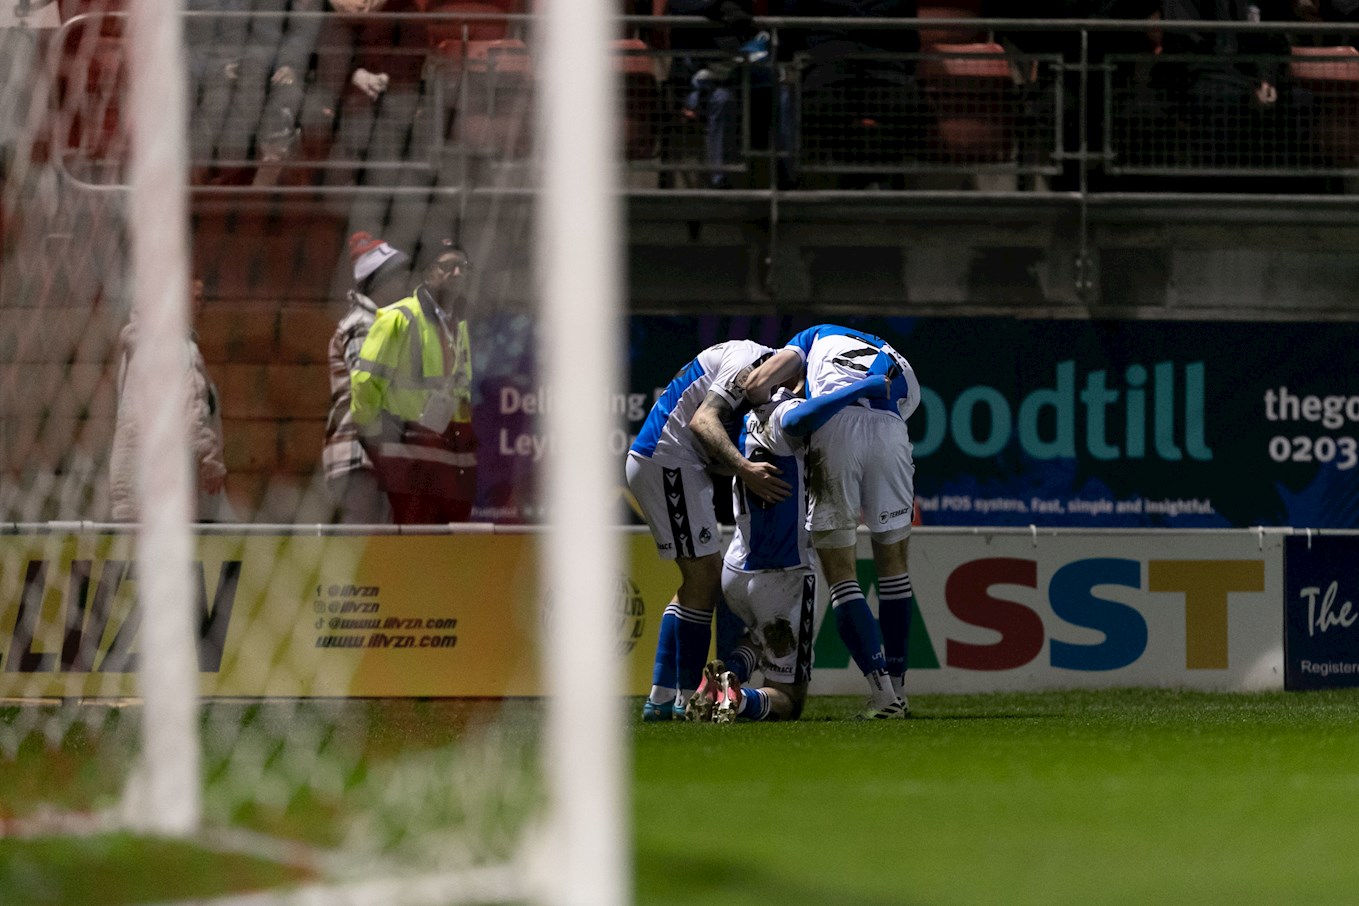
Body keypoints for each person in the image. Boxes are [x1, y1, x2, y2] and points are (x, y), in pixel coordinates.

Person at [687, 371, 898, 722]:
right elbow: (799, 417)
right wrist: (863, 386)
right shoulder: (785, 412)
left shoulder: (745, 420)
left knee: (762, 638)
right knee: (788, 698)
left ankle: (729, 675)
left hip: (738, 569)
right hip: (783, 576)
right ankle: (739, 700)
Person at [743, 324, 918, 718]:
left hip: (835, 434)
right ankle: (901, 689)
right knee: (894, 568)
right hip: (892, 429)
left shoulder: (807, 341)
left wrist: (768, 388)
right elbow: (905, 399)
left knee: (842, 577)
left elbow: (758, 384)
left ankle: (883, 694)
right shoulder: (885, 351)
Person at [628, 339, 793, 721]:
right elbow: (702, 422)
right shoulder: (749, 362)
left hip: (671, 462)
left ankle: (662, 698)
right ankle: (685, 699)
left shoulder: (752, 365)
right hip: (668, 460)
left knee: (697, 583)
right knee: (704, 579)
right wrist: (746, 470)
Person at [350, 241, 477, 524]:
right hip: (405, 453)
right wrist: (379, 441)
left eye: (463, 267)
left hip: (445, 455)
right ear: (427, 273)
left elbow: (460, 388)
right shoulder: (399, 318)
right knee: (411, 539)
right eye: (447, 266)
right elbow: (365, 384)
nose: (457, 273)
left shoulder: (459, 324)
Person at [109, 278, 231, 522]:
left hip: (128, 480)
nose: (199, 307)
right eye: (193, 299)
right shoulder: (179, 347)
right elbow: (194, 411)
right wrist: (211, 462)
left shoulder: (135, 347)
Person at [321, 231, 410, 523]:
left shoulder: (380, 326)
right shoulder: (362, 325)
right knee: (364, 546)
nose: (404, 285)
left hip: (372, 457)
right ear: (378, 283)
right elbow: (367, 394)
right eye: (397, 277)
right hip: (361, 458)